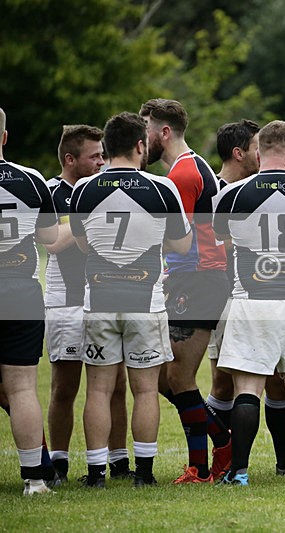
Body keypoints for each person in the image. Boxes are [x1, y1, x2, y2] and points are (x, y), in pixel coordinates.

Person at [70, 111, 192, 487]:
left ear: (105, 147)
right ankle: (144, 473)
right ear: (142, 145)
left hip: (100, 299)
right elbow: (183, 245)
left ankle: (95, 473)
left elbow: (82, 244)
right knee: (144, 390)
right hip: (146, 301)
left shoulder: (83, 190)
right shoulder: (161, 188)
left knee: (99, 390)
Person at [213, 120, 285, 485]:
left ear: (259, 151)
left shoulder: (232, 194)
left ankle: (241, 472)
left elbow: (223, 237)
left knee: (248, 388)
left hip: (252, 299)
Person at [139, 99, 232, 483]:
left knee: (176, 378)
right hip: (190, 278)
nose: (140, 142)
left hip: (197, 279)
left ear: (163, 132)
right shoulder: (187, 167)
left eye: (145, 131)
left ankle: (223, 443)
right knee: (172, 378)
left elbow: (177, 237)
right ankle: (200, 465)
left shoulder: (182, 175)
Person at [44, 125, 132, 482]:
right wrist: (85, 222)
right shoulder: (51, 192)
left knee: (117, 385)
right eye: (94, 156)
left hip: (105, 298)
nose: (102, 162)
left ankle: (120, 462)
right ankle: (59, 464)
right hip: (66, 301)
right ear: (70, 159)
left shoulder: (102, 190)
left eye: (103, 155)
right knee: (64, 387)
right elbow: (50, 241)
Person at [0, 107, 60, 495]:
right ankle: (35, 479)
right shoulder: (31, 179)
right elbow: (51, 239)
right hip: (19, 289)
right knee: (22, 388)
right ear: (4, 137)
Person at [206, 119, 260, 430]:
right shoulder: (214, 193)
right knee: (223, 382)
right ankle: (222, 455)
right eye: (257, 148)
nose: (263, 155)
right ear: (239, 153)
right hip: (225, 297)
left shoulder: (259, 190)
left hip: (262, 297)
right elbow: (208, 245)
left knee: (276, 380)